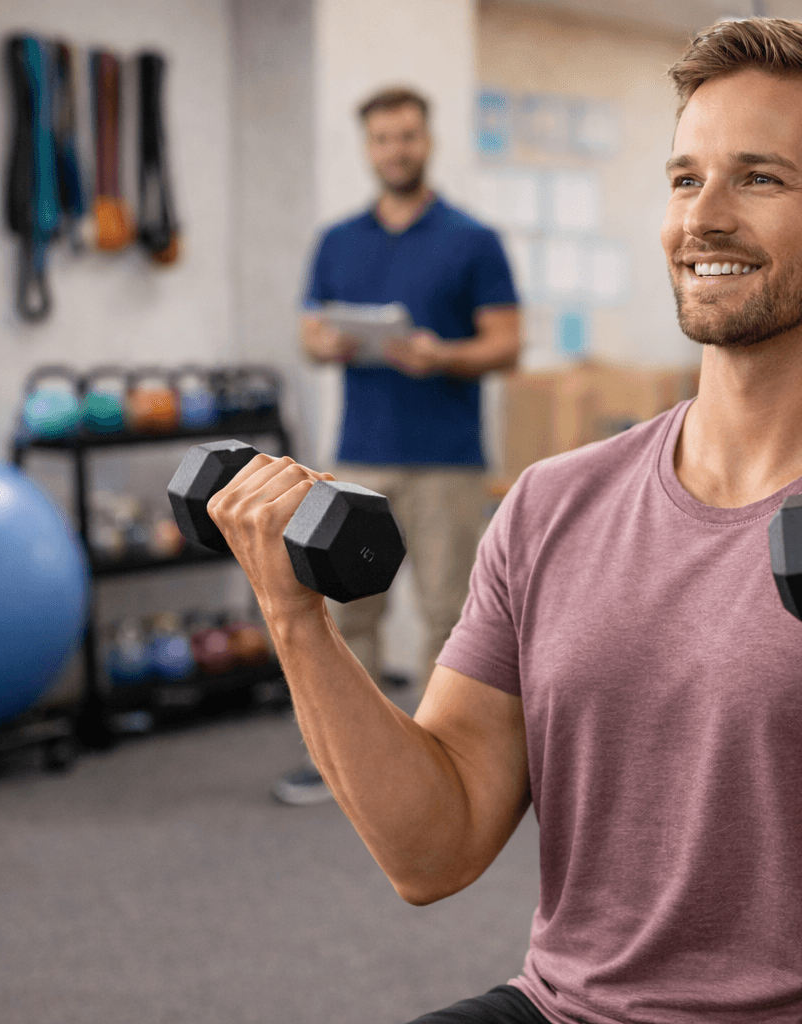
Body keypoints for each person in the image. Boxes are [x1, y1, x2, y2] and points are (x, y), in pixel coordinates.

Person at [223, 19, 802, 1022]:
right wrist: (295, 620)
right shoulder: (551, 503)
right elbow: (434, 847)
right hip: (573, 1007)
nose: (701, 219)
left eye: (757, 179)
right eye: (684, 179)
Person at [271, 86, 521, 807]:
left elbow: (505, 343)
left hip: (445, 457)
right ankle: (348, 763)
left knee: (450, 614)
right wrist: (329, 339)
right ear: (368, 148)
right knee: (347, 615)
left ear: (428, 141)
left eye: (407, 137)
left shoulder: (472, 239)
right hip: (358, 455)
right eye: (383, 139)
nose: (396, 150)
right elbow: (310, 334)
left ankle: (450, 767)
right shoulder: (338, 241)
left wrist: (441, 356)